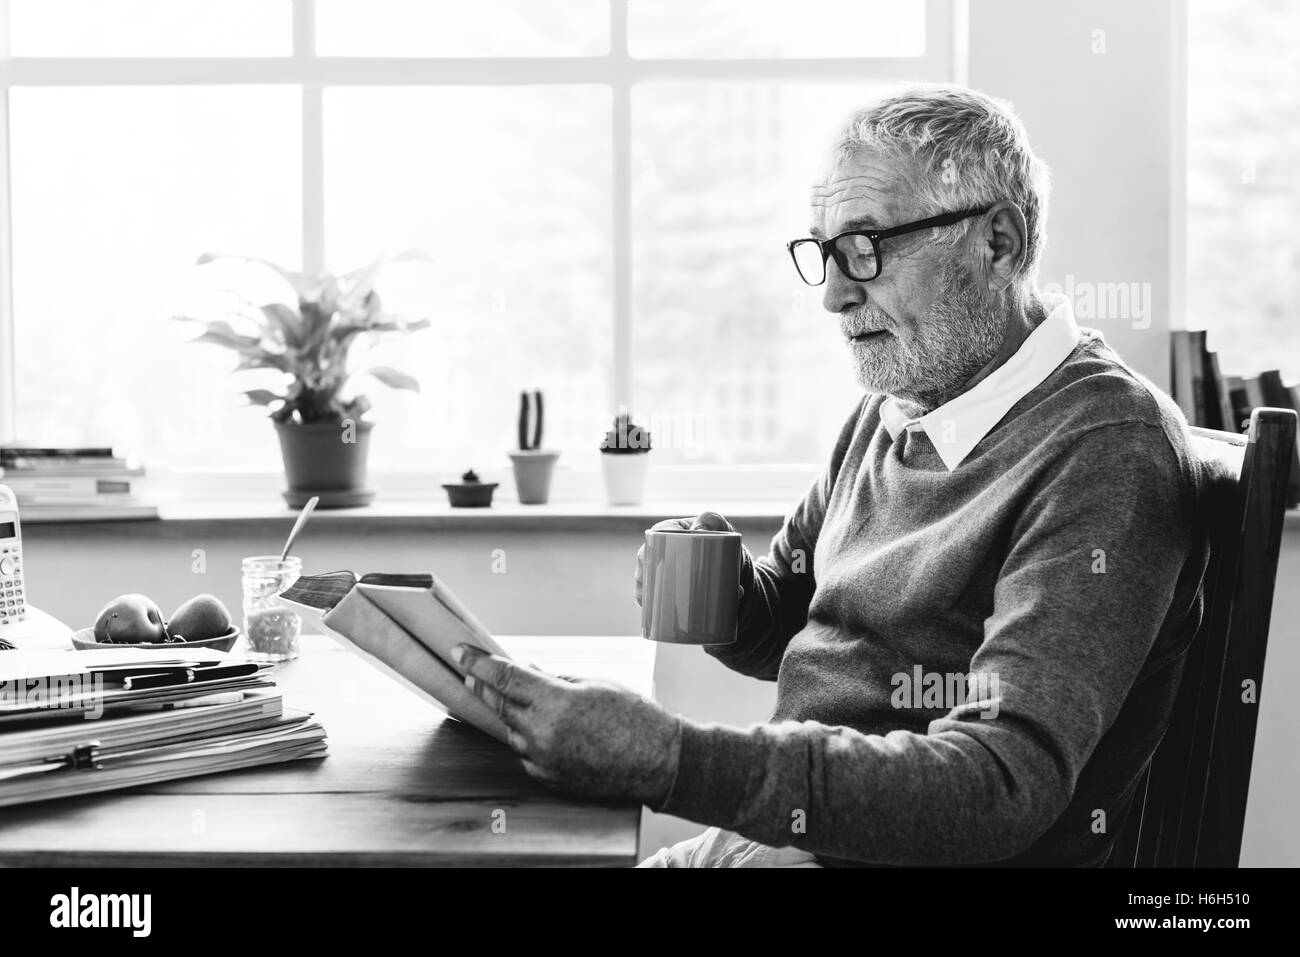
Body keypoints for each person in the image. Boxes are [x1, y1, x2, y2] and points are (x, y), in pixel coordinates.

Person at [454, 84, 1209, 867]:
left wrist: (672, 758)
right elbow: (801, 615)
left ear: (999, 242)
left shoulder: (1106, 448)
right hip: (789, 845)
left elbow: (999, 784)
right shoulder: (902, 401)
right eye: (824, 251)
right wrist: (733, 601)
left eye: (867, 247)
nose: (835, 294)